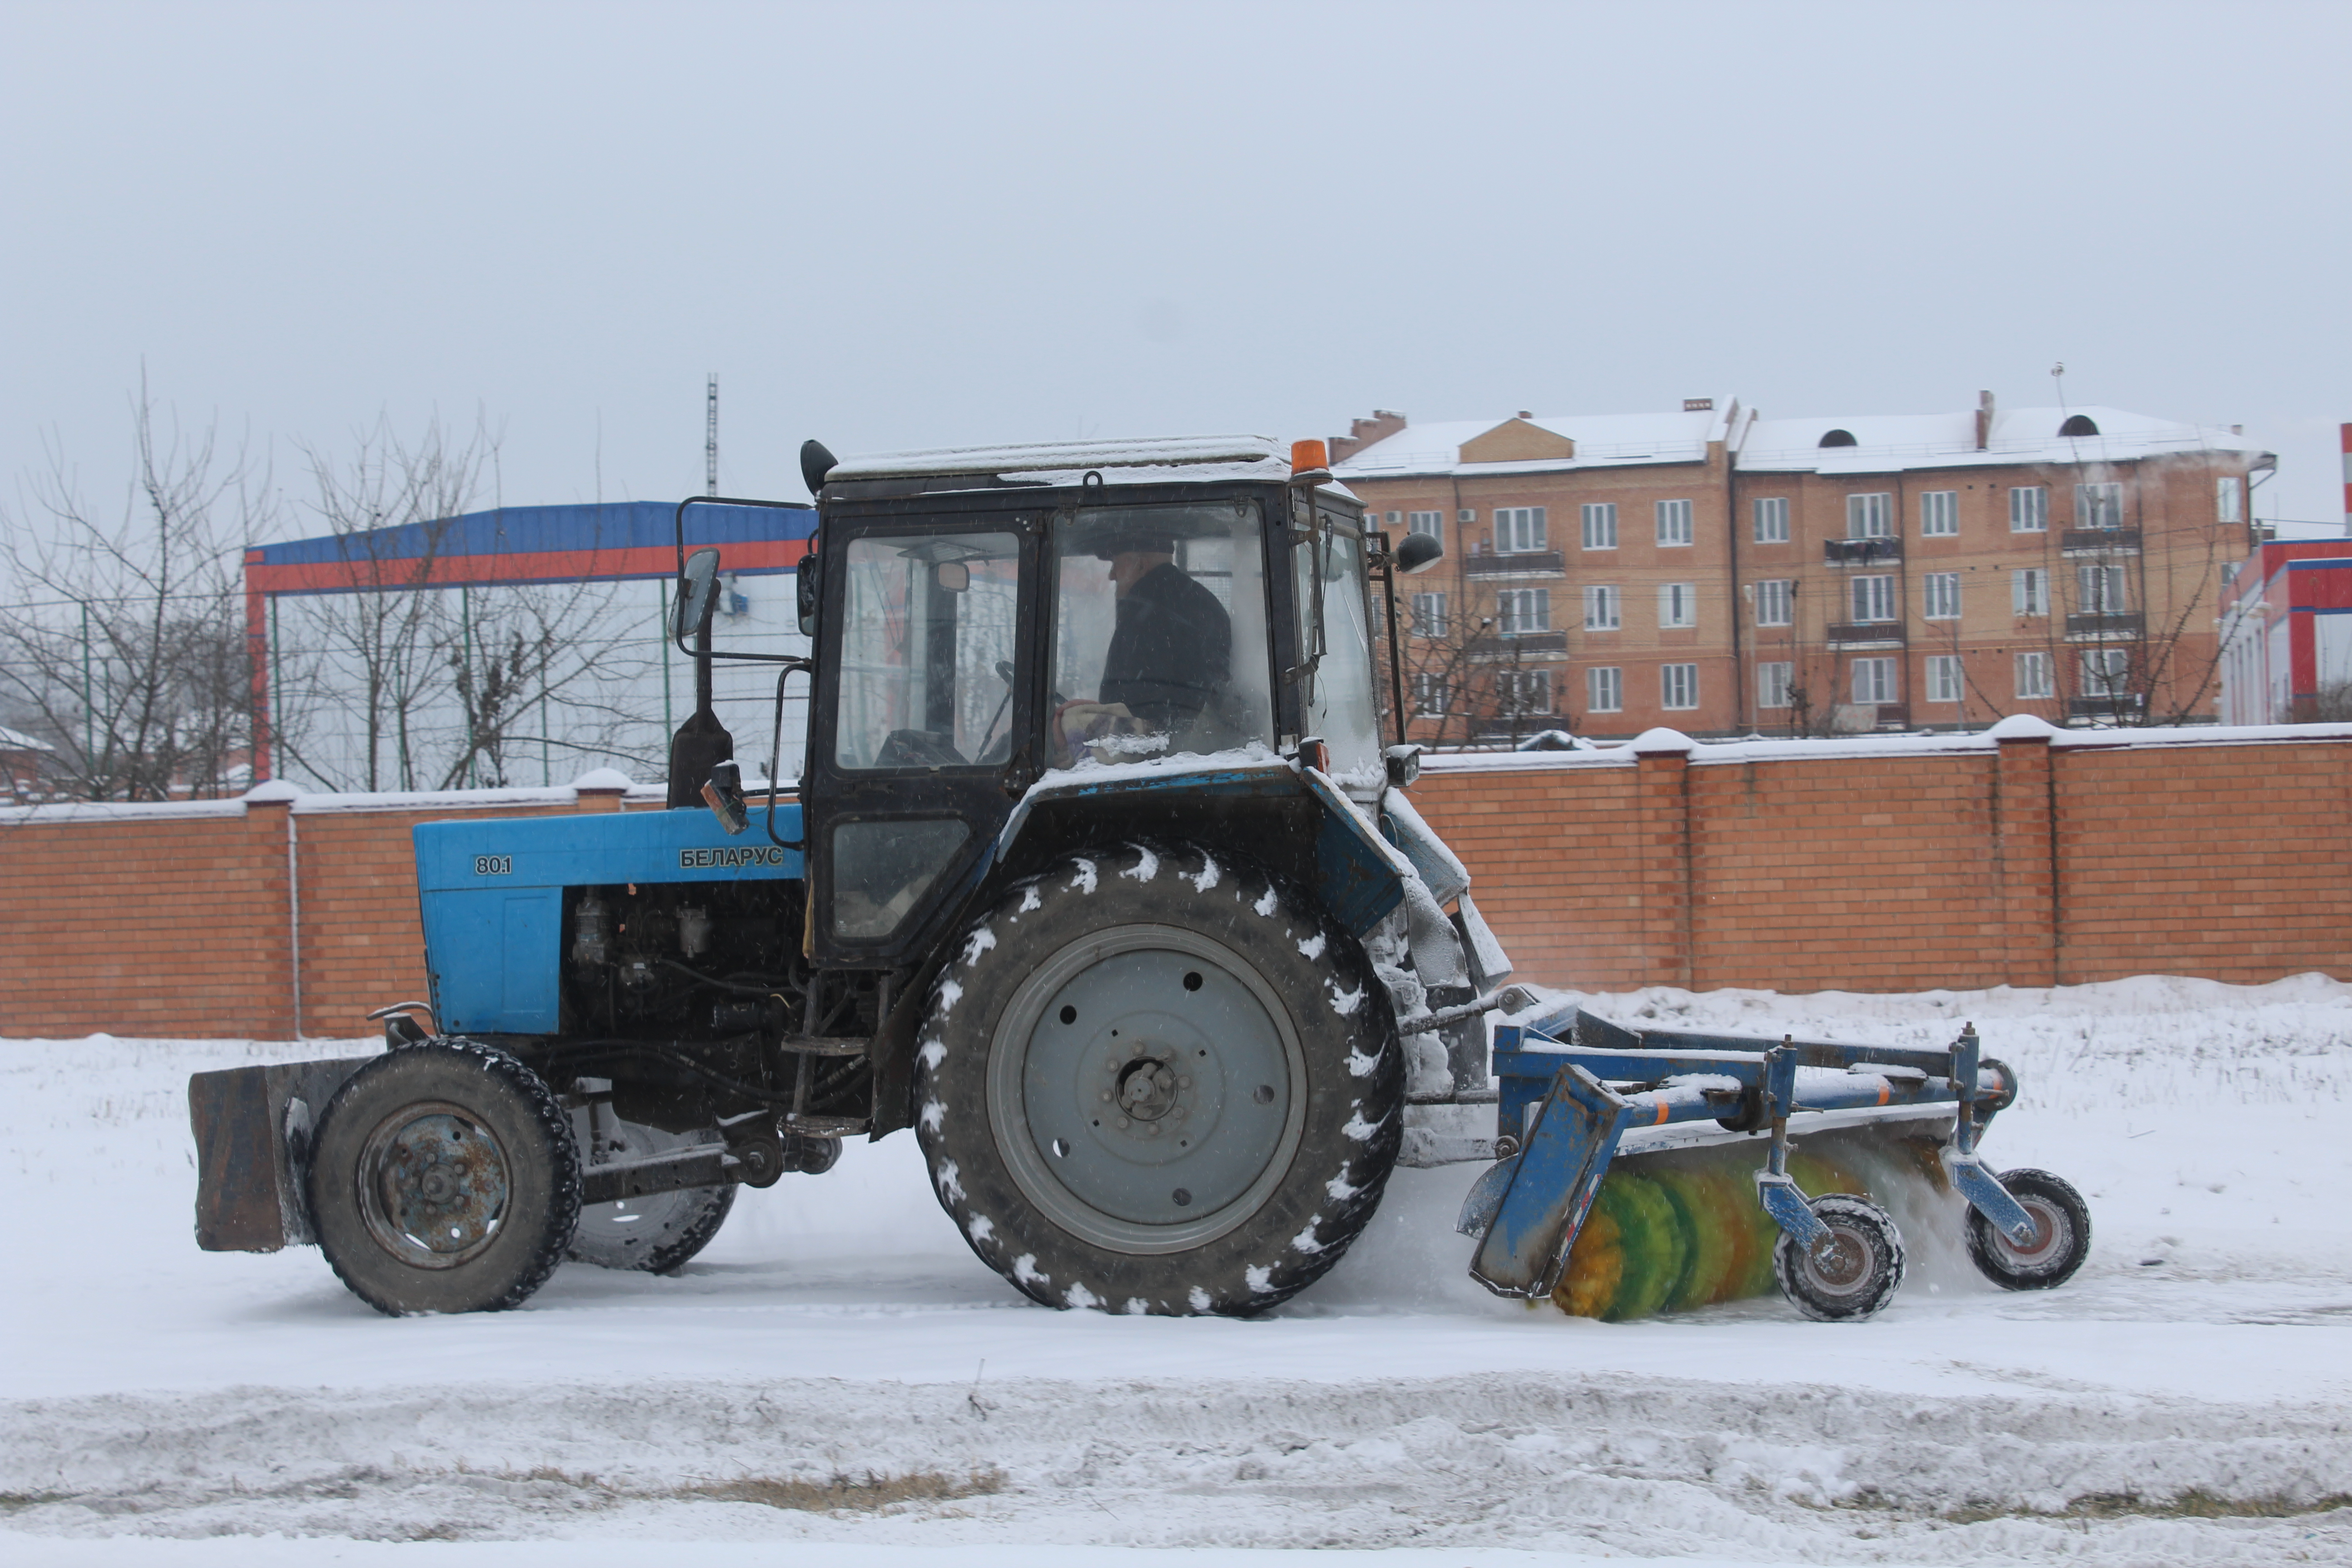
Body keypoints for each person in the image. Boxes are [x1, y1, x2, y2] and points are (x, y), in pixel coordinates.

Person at [1096, 531, 1231, 732]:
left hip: (1152, 749)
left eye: (1117, 564)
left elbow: (1140, 697)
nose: (1112, 575)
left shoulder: (1143, 612)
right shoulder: (1204, 601)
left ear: (1141, 565)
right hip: (1196, 741)